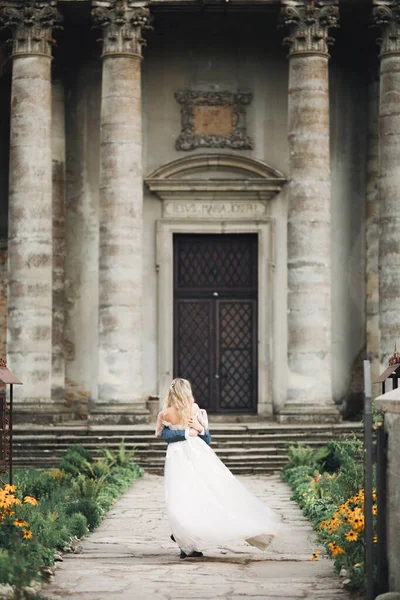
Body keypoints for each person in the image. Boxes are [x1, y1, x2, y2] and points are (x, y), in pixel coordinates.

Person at [155, 378, 282, 559]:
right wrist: (186, 432)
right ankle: (185, 540)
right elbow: (165, 435)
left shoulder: (188, 410)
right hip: (183, 458)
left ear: (172, 393)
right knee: (183, 498)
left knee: (197, 495)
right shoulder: (170, 413)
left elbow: (203, 438)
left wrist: (200, 428)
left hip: (195, 457)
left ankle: (187, 538)